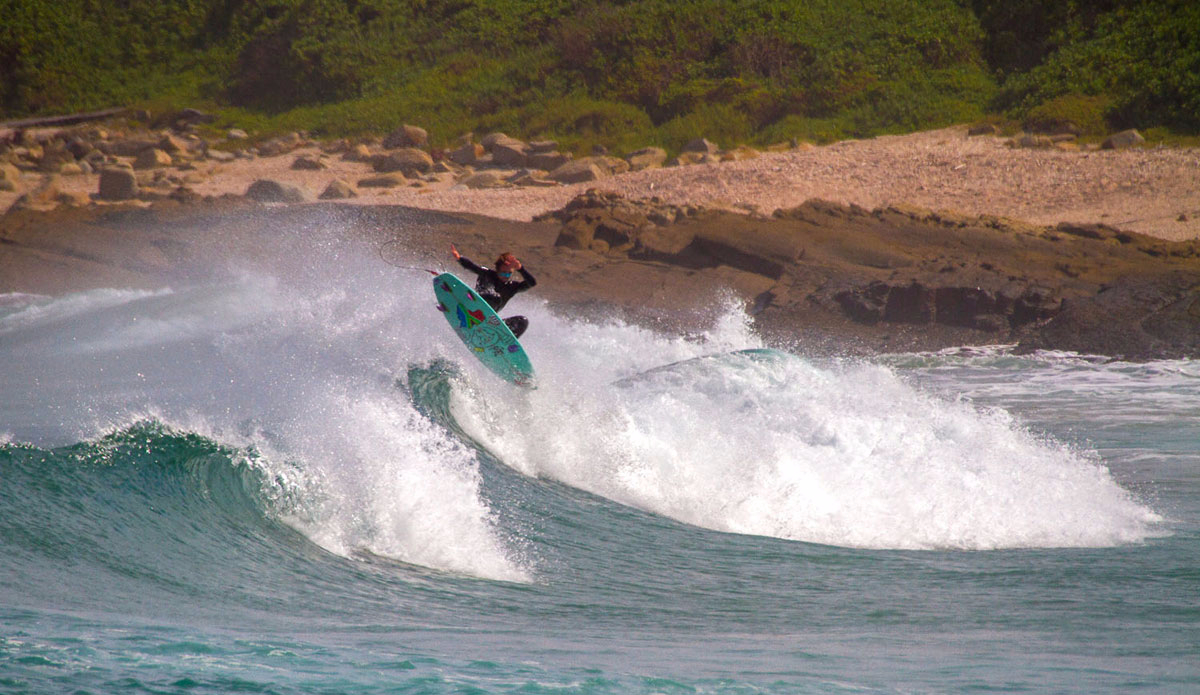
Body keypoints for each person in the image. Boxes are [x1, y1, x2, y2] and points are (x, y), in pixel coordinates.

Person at [451, 244, 537, 338]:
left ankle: (502, 343)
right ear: (497, 270)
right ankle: (474, 321)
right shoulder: (487, 274)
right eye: (503, 272)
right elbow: (472, 267)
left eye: (509, 274)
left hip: (489, 323)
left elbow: (531, 283)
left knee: (522, 321)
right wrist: (459, 258)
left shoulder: (512, 287)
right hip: (472, 312)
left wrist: (521, 269)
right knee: (495, 297)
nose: (506, 276)